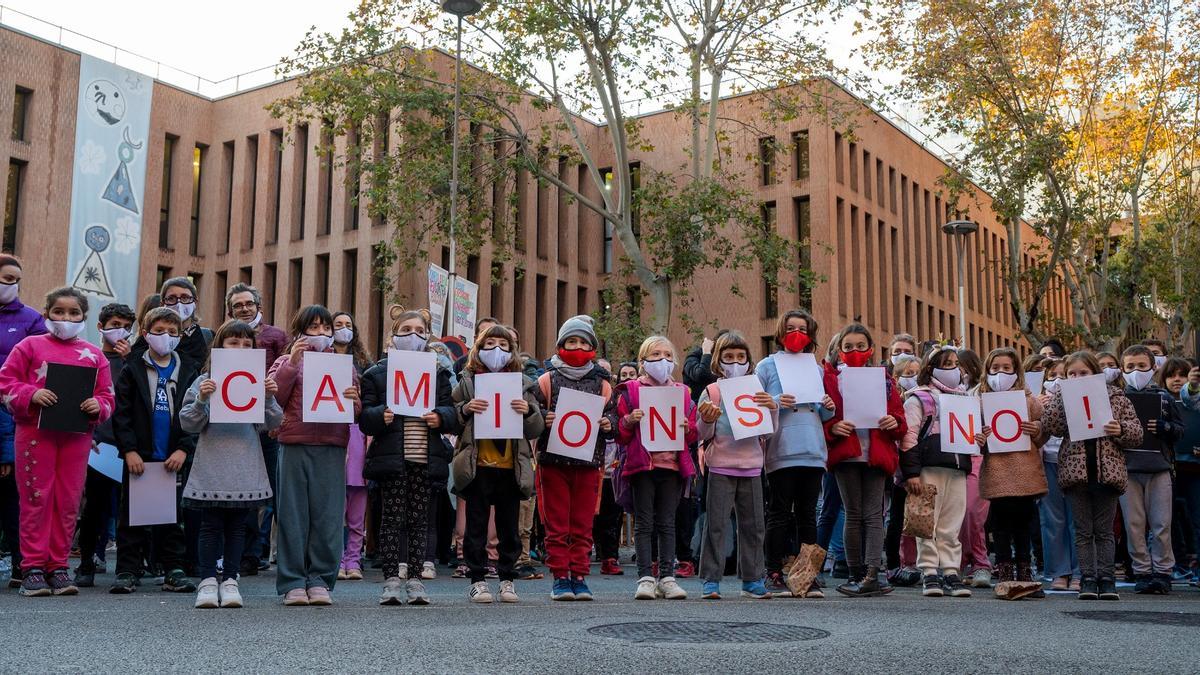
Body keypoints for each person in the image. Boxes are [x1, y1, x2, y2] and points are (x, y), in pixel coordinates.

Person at [0, 287, 113, 596]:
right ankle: (33, 567)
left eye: (74, 313)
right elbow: (5, 383)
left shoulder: (95, 355)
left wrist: (98, 406)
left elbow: (107, 397)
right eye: (59, 311)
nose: (66, 318)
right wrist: (31, 394)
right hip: (35, 436)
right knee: (36, 498)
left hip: (76, 438)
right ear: (46, 313)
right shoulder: (29, 346)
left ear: (84, 317)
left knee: (68, 501)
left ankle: (58, 566)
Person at [180, 320, 282, 609]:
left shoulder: (257, 382)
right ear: (220, 346)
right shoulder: (204, 381)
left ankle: (231, 580)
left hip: (244, 461)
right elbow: (187, 423)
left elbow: (273, 422)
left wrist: (269, 397)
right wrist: (202, 399)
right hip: (212, 462)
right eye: (233, 342)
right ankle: (207, 581)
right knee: (210, 525)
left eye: (247, 344)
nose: (240, 348)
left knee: (239, 525)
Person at [360, 308, 456, 605]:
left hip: (424, 458)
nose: (412, 335)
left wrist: (441, 417)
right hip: (392, 459)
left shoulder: (438, 373)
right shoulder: (376, 374)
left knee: (419, 520)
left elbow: (452, 413)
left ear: (427, 337)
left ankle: (415, 579)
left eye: (419, 330)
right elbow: (364, 417)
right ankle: (391, 579)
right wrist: (381, 415)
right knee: (391, 520)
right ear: (393, 336)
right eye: (405, 330)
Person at [269, 305, 362, 606]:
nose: (321, 333)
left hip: (332, 445)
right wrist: (291, 363)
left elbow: (355, 412)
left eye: (326, 328)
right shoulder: (285, 360)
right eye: (314, 327)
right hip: (294, 442)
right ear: (300, 331)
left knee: (328, 516)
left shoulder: (343, 365)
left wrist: (354, 400)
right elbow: (274, 400)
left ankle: (320, 579)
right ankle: (293, 581)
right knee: (293, 515)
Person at [109, 307, 199, 595]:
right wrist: (129, 450)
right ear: (146, 334)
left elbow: (196, 413)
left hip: (173, 456)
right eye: (159, 331)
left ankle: (173, 568)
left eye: (172, 332)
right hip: (140, 456)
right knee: (131, 514)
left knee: (172, 516)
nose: (166, 337)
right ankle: (127, 569)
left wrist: (184, 449)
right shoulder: (132, 369)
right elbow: (121, 413)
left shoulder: (189, 369)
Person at [452, 325, 544, 603]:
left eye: (503, 345)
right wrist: (465, 409)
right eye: (490, 344)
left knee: (509, 528)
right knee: (476, 526)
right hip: (477, 465)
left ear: (512, 351)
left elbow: (536, 428)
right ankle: (477, 580)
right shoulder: (467, 382)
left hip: (510, 467)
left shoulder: (523, 384)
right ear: (478, 349)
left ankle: (507, 579)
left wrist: (528, 412)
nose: (496, 350)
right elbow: (451, 418)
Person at [1043, 351, 1142, 601]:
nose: (1078, 378)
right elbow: (1052, 426)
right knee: (1083, 530)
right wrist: (1060, 397)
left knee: (1104, 531)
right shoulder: (1063, 397)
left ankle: (1106, 579)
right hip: (1076, 474)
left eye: (1083, 373)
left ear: (1096, 373)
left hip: (1107, 473)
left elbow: (1136, 433)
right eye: (1072, 374)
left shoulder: (1116, 397)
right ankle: (1087, 578)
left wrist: (1120, 429)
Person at [754, 310, 835, 597]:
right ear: (780, 332)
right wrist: (776, 401)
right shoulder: (766, 366)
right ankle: (773, 571)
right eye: (790, 328)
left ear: (811, 335)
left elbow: (822, 413)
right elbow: (753, 405)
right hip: (782, 448)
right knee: (778, 512)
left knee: (807, 515)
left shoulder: (816, 369)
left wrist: (829, 406)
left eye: (803, 328)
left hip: (813, 449)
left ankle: (806, 576)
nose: (797, 333)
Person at [822, 323, 905, 597]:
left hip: (875, 455)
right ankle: (855, 572)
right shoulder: (830, 380)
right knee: (853, 513)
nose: (854, 351)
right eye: (848, 347)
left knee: (872, 514)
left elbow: (900, 420)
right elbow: (821, 417)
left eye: (860, 346)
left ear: (870, 349)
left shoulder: (885, 381)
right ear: (839, 350)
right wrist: (833, 427)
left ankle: (871, 574)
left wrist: (894, 421)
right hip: (846, 454)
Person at [534, 315, 613, 601]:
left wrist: (610, 424)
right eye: (571, 341)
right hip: (553, 463)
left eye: (583, 342)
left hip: (588, 464)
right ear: (560, 345)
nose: (577, 347)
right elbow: (530, 412)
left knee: (582, 524)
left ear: (592, 347)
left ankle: (579, 575)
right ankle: (560, 577)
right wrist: (543, 418)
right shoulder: (546, 380)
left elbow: (615, 414)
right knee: (556, 524)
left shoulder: (603, 384)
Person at [615, 335, 698, 601]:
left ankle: (667, 577)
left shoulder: (683, 393)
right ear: (643, 361)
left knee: (667, 522)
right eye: (655, 355)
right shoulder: (631, 391)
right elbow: (620, 436)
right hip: (642, 466)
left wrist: (688, 428)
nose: (662, 360)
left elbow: (693, 434)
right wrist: (629, 420)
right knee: (644, 523)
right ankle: (645, 578)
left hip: (672, 466)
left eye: (667, 355)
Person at [695, 330, 775, 600]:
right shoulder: (712, 391)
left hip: (752, 466)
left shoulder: (757, 390)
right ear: (718, 360)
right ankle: (711, 579)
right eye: (728, 357)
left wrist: (772, 409)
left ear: (749, 360)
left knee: (754, 526)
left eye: (741, 357)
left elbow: (768, 433)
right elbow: (701, 434)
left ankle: (752, 579)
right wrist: (707, 419)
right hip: (721, 466)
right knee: (716, 525)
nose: (735, 362)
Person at [225, 283, 289, 577]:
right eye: (238, 305)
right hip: (235, 426)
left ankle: (271, 550)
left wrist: (277, 418)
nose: (244, 308)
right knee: (242, 490)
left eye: (249, 303)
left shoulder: (276, 336)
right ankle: (247, 553)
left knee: (273, 491)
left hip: (268, 424)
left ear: (258, 306)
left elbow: (286, 377)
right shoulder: (224, 337)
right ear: (230, 310)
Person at [901, 344, 974, 598]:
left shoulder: (965, 399)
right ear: (931, 368)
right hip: (929, 466)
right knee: (926, 522)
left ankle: (952, 571)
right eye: (946, 364)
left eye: (955, 364)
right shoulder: (919, 398)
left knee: (952, 522)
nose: (952, 369)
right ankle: (930, 571)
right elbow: (909, 436)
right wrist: (911, 472)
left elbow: (970, 434)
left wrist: (979, 439)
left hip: (957, 467)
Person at [74, 302, 136, 588]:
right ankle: (86, 562)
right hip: (99, 445)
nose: (120, 331)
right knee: (94, 508)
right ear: (100, 327)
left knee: (129, 509)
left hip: (129, 446)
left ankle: (128, 566)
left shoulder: (135, 361)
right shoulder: (89, 358)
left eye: (126, 327)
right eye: (114, 325)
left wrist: (130, 360)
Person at [977, 348, 1047, 592]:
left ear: (1016, 371)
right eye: (995, 368)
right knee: (1000, 526)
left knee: (1023, 525)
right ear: (987, 371)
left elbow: (1044, 431)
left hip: (1025, 473)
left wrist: (1036, 429)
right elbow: (972, 438)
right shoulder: (980, 401)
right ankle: (1005, 569)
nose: (1001, 373)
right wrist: (980, 438)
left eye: (1007, 368)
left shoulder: (1029, 400)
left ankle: (1025, 569)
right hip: (997, 473)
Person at [1119, 344, 1182, 594]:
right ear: (1122, 370)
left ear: (1153, 367)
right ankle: (1142, 570)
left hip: (1159, 469)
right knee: (1133, 523)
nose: (1136, 371)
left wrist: (1166, 427)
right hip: (1128, 470)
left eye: (1141, 366)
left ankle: (1163, 571)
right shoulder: (1117, 398)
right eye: (1130, 366)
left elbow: (1180, 430)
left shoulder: (1165, 398)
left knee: (1161, 523)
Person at [0, 255, 47, 588]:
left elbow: (40, 372)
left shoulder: (31, 320)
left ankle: (23, 564)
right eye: (6, 278)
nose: (11, 284)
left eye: (15, 279)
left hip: (13, 417)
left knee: (12, 499)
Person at [332, 311, 372, 582]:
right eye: (338, 325)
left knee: (357, 508)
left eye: (348, 324)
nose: (344, 329)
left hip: (357, 435)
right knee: (335, 509)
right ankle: (335, 559)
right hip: (330, 435)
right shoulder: (319, 359)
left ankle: (354, 559)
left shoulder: (364, 365)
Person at [884, 352, 923, 586]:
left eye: (917, 373)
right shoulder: (893, 399)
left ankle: (915, 562)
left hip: (915, 465)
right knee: (896, 517)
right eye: (908, 373)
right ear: (897, 377)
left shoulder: (923, 400)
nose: (913, 377)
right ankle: (892, 564)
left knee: (918, 517)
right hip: (896, 468)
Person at [595, 363, 631, 576]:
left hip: (613, 468)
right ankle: (590, 553)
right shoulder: (589, 396)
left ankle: (610, 557)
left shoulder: (619, 399)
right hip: (592, 464)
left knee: (612, 516)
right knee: (593, 516)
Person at [1170, 358, 1200, 580]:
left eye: (1183, 375)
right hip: (1168, 469)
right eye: (1172, 375)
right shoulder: (1159, 401)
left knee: (1197, 519)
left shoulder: (1193, 401)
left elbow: (1190, 398)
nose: (1177, 379)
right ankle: (1176, 565)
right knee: (1168, 520)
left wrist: (1193, 386)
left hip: (1195, 470)